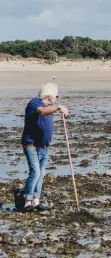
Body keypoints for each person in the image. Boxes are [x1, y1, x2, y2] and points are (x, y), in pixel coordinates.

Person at [21, 82, 69, 211]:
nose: (56, 99)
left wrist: (64, 112)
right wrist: (58, 107)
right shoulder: (35, 103)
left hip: (43, 147)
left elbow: (47, 112)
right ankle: (27, 201)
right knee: (35, 172)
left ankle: (36, 201)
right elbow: (42, 112)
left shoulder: (49, 107)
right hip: (31, 145)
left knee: (41, 174)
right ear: (50, 96)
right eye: (56, 97)